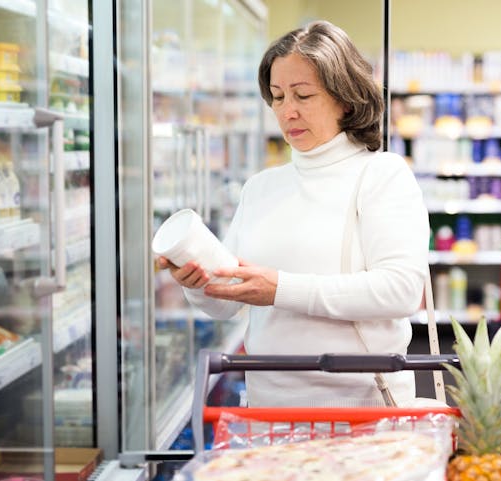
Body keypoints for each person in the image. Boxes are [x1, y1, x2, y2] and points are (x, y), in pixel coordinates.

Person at [157, 20, 429, 407]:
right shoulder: (261, 188)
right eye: (278, 96)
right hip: (269, 409)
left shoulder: (382, 175)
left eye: (303, 95)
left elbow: (400, 291)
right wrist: (196, 281)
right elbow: (228, 304)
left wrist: (280, 289)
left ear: (346, 99)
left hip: (363, 412)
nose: (288, 112)